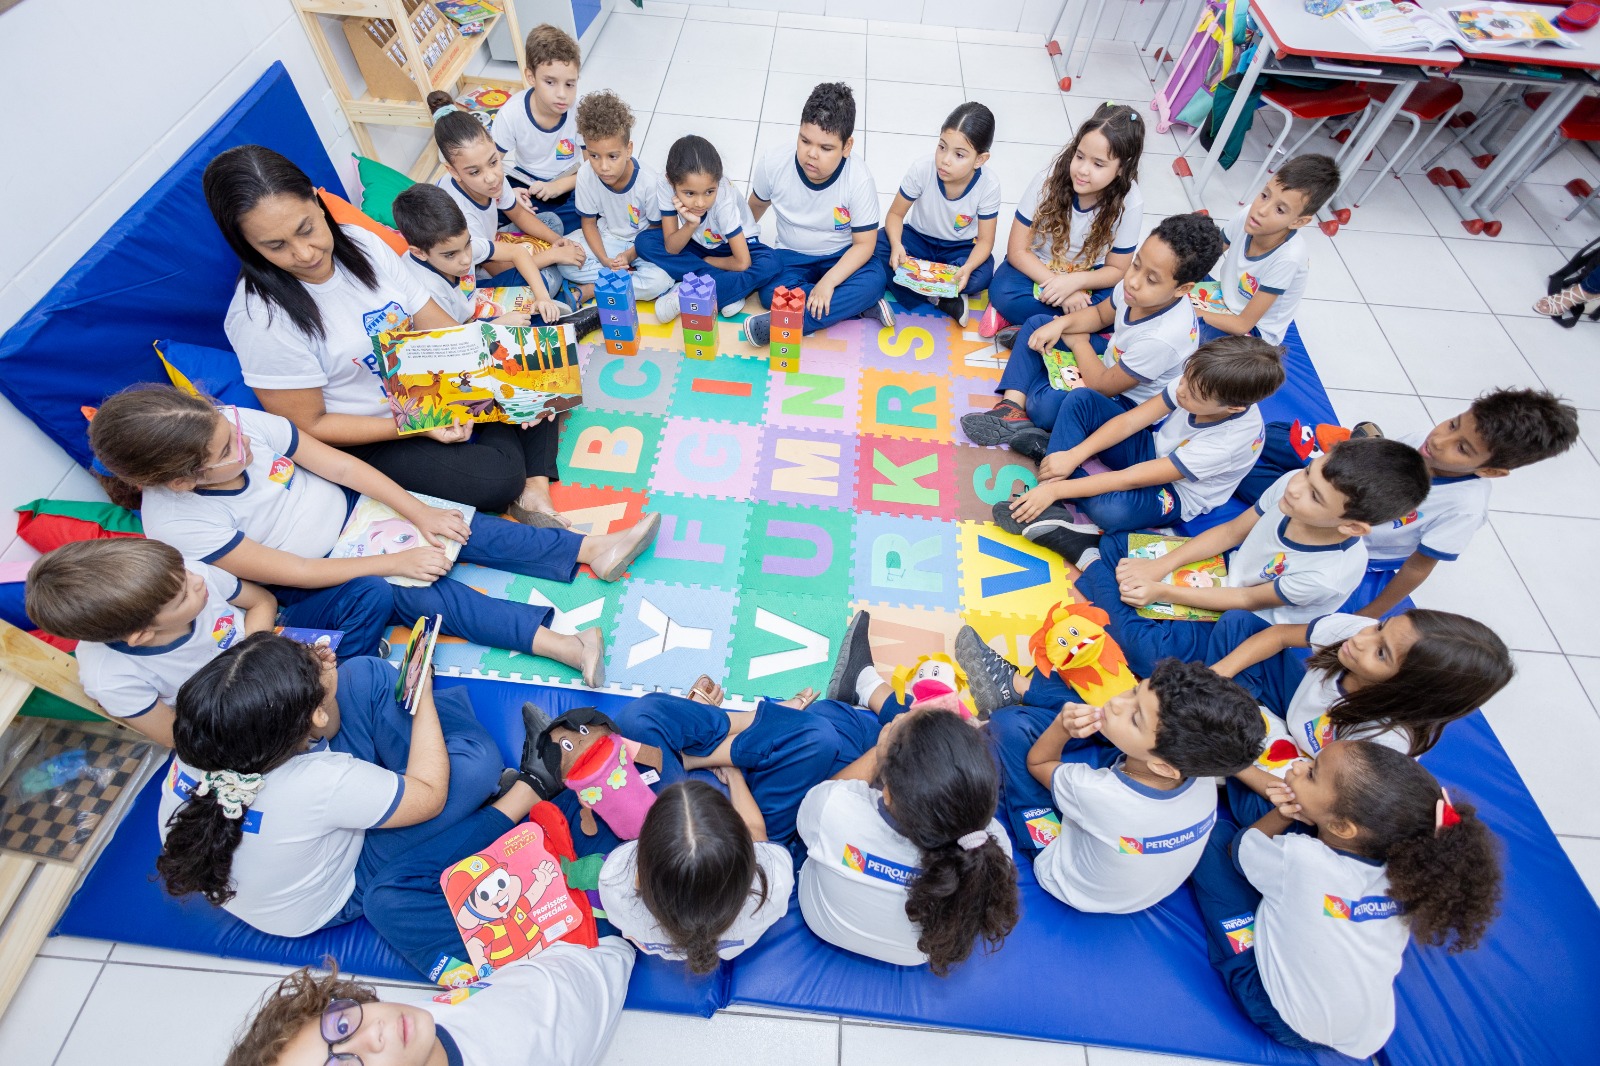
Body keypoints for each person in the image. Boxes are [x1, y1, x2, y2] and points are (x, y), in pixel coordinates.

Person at [90, 386, 661, 685]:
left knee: (459, 524)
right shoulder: (177, 522)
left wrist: (419, 515)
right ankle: (566, 645)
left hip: (351, 515)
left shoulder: (235, 423)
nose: (239, 446)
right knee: (421, 593)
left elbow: (341, 467)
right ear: (181, 480)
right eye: (222, 454)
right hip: (314, 579)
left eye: (228, 433)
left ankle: (593, 549)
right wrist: (403, 560)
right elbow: (296, 575)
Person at [207, 145, 557, 515]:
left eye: (306, 229)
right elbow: (310, 425)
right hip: (374, 430)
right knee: (495, 479)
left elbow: (438, 326)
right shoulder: (259, 317)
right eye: (276, 246)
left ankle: (534, 485)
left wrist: (504, 386)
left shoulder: (363, 243)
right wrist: (421, 424)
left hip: (431, 387)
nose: (305, 253)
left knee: (542, 365)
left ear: (316, 200)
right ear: (245, 244)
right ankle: (521, 466)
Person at [154, 634, 502, 937]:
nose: (318, 650)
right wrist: (423, 695)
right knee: (474, 766)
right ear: (311, 719)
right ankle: (418, 760)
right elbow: (430, 796)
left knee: (361, 673)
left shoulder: (208, 733)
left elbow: (328, 729)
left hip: (289, 835)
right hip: (333, 895)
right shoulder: (319, 783)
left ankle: (392, 778)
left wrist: (320, 687)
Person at [1189, 740, 1502, 1056]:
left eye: (1312, 773)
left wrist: (1283, 815)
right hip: (1365, 1034)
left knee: (1215, 841)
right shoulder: (1408, 881)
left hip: (1280, 1016)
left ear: (1342, 827)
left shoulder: (1301, 859)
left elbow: (1239, 850)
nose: (1298, 766)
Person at [1047, 439, 1432, 677]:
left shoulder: (1327, 573)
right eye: (1308, 473)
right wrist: (1159, 568)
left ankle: (1090, 561)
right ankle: (1102, 565)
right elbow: (1231, 532)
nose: (1298, 489)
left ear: (1352, 527)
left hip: (1245, 623)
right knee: (1119, 543)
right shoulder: (1293, 485)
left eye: (1316, 496)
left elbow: (1246, 602)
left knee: (1147, 655)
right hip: (1226, 576)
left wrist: (1159, 589)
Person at [1236, 388, 1580, 618]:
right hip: (1347, 488)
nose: (1440, 440)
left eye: (1462, 448)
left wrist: (1368, 615)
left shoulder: (1463, 508)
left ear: (1490, 470)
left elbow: (1418, 566)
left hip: (1339, 524)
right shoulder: (1423, 441)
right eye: (1453, 424)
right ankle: (1360, 442)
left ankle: (1352, 447)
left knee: (1251, 474)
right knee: (1276, 435)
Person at [991, 660, 1262, 913]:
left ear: (1164, 767)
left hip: (1066, 879)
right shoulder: (1199, 772)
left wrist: (1062, 727)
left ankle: (1025, 692)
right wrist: (1132, 722)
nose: (1118, 702)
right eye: (1134, 690)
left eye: (1135, 718)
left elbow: (1039, 763)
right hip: (1138, 888)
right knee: (1102, 718)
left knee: (1010, 725)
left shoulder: (1098, 793)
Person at [1207, 607, 1512, 823]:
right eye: (1381, 626)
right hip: (1290, 710)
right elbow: (1279, 636)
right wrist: (1217, 675)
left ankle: (1231, 736)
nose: (1363, 639)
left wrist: (1233, 763)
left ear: (1408, 689)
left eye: (1381, 653)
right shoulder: (1359, 635)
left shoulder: (1385, 741)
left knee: (1273, 815)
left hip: (1314, 772)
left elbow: (1312, 803)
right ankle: (1231, 714)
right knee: (1240, 625)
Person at [962, 213, 1220, 449]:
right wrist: (1061, 325)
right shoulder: (1134, 289)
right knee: (1040, 324)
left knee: (1045, 406)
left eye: (1151, 279)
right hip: (1111, 357)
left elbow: (1103, 386)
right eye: (1136, 264)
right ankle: (1011, 407)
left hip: (1123, 402)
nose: (1133, 280)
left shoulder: (1163, 339)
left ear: (1182, 289)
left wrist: (1078, 343)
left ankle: (1039, 381)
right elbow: (1099, 315)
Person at [796, 703, 1018, 973]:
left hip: (823, 923)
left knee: (835, 719)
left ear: (886, 792)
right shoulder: (990, 843)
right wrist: (955, 753)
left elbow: (828, 792)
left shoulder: (837, 808)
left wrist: (880, 753)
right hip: (913, 955)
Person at [993, 336, 1283, 539]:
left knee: (1112, 512)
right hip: (1153, 450)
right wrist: (1075, 455)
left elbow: (1131, 479)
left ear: (1232, 408)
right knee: (1083, 400)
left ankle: (1054, 476)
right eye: (1185, 378)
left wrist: (1056, 490)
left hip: (1178, 492)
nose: (1181, 390)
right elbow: (1131, 421)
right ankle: (1058, 468)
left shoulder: (1227, 444)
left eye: (1193, 394)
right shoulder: (1197, 381)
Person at [25, 539, 279, 746]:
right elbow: (176, 737)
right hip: (230, 711)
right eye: (183, 598)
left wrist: (256, 660)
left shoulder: (184, 577)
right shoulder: (110, 678)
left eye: (185, 572)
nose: (197, 581)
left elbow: (262, 602)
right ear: (143, 634)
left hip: (264, 641)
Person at [220, 943, 633, 1066]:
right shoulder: (529, 1045)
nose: (373, 1036)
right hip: (602, 946)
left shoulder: (410, 1032)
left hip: (519, 963)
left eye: (342, 1027)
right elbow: (602, 966)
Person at [977, 103, 1146, 339]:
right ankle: (1074, 329)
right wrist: (1059, 287)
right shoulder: (1047, 181)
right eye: (1080, 156)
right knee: (1002, 291)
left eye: (1098, 164)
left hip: (1088, 277)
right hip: (1039, 268)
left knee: (1121, 306)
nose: (1083, 170)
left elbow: (1117, 269)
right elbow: (1017, 251)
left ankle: (1039, 325)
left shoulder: (1131, 201)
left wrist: (1075, 282)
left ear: (1122, 168)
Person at [743, 81, 895, 345]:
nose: (811, 155)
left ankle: (783, 321)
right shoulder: (774, 163)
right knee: (769, 292)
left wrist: (829, 282)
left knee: (875, 278)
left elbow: (864, 245)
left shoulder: (858, 180)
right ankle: (855, 306)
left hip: (840, 256)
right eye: (804, 141)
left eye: (826, 148)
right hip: (791, 254)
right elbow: (753, 209)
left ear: (847, 146)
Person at [597, 778, 792, 972]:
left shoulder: (614, 881)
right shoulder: (776, 881)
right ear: (746, 862)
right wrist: (735, 776)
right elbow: (756, 832)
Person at [426, 90, 584, 315]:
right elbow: (498, 268)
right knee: (549, 278)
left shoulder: (493, 180)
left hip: (496, 244)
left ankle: (552, 268)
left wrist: (558, 242)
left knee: (551, 222)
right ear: (454, 172)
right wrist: (553, 255)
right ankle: (552, 287)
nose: (491, 177)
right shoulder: (461, 216)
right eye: (475, 172)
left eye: (493, 162)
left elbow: (518, 213)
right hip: (479, 273)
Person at [873, 101, 1001, 325]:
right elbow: (895, 215)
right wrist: (897, 245)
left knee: (983, 273)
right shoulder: (922, 169)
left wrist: (968, 267)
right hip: (918, 239)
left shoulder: (989, 185)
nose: (945, 160)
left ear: (980, 160)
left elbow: (985, 241)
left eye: (959, 155)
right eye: (942, 147)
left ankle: (919, 287)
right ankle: (940, 298)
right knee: (876, 246)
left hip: (958, 248)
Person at [1195, 154, 1340, 345]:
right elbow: (1207, 255)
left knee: (1188, 339)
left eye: (1280, 210)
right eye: (1264, 195)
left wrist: (1193, 313)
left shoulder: (1289, 257)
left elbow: (1242, 325)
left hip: (1255, 334)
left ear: (1299, 222)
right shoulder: (1248, 215)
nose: (1261, 210)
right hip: (1223, 299)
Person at [638, 134, 782, 319]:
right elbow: (671, 248)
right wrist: (690, 224)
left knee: (772, 263)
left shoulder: (724, 198)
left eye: (709, 192)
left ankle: (686, 293)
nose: (700, 203)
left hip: (734, 246)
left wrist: (708, 262)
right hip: (697, 242)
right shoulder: (664, 184)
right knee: (645, 241)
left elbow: (742, 261)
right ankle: (728, 289)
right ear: (671, 182)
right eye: (689, 193)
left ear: (718, 181)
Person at [558, 90, 674, 305]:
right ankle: (622, 281)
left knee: (659, 280)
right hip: (608, 237)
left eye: (612, 156)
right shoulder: (585, 173)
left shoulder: (649, 181)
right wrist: (603, 258)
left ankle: (594, 288)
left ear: (628, 149)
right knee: (564, 259)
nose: (603, 166)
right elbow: (589, 223)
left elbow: (657, 230)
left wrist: (630, 255)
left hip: (641, 244)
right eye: (594, 156)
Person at [494, 22, 586, 235]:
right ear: (530, 77)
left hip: (571, 179)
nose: (562, 94)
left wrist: (560, 186)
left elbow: (592, 169)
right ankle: (541, 227)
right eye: (550, 82)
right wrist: (508, 193)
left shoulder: (580, 111)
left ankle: (530, 228)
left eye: (570, 84)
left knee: (593, 200)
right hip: (528, 182)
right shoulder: (511, 114)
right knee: (488, 198)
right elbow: (492, 166)